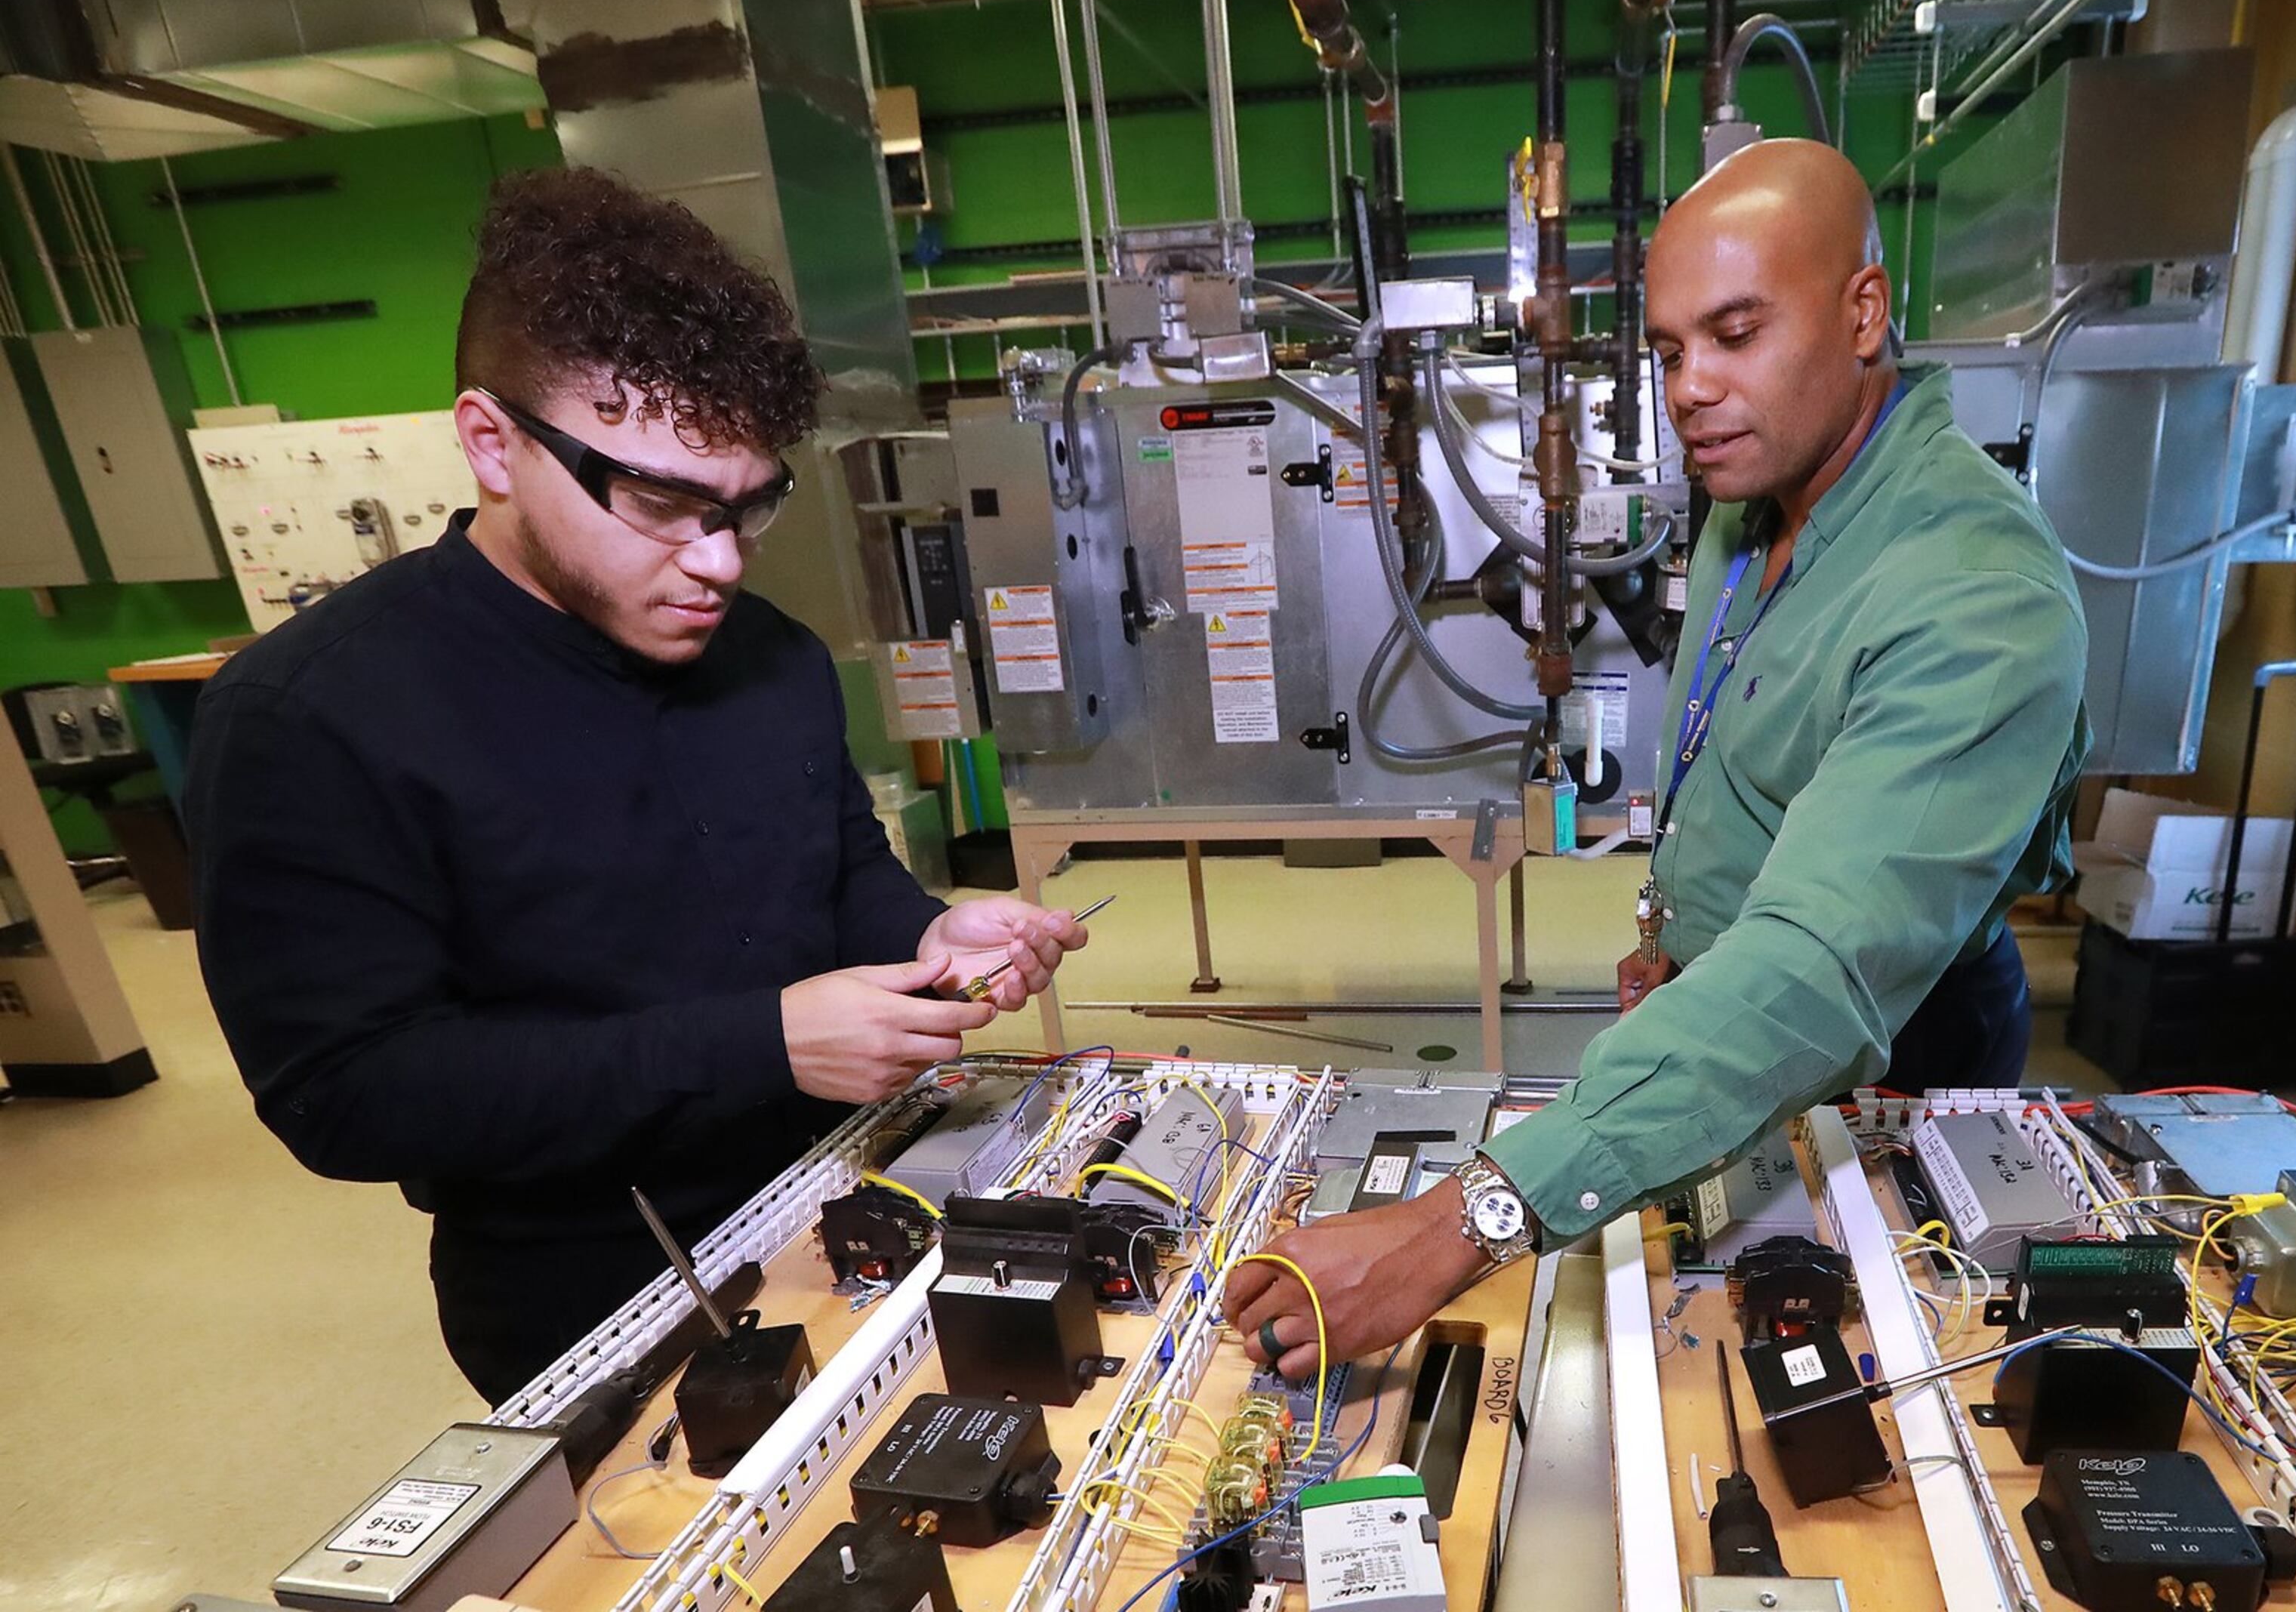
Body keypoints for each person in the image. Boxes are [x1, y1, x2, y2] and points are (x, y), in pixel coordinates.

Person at [184, 168, 1086, 1401]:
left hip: (860, 1198)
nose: (717, 559)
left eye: (750, 506)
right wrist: (761, 1044)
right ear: (491, 442)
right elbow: (346, 1096)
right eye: (661, 501)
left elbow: (830, 872)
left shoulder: (770, 657)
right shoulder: (311, 718)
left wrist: (927, 929)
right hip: (595, 1291)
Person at [1225, 140, 2088, 1379]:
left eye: (1737, 334)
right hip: (1725, 1014)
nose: (1692, 389)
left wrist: (1448, 1228)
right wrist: (1675, 934)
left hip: (1890, 1045)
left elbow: (1817, 970)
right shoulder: (1754, 505)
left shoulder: (1976, 591)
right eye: (1674, 350)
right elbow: (1743, 755)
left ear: (1864, 312)